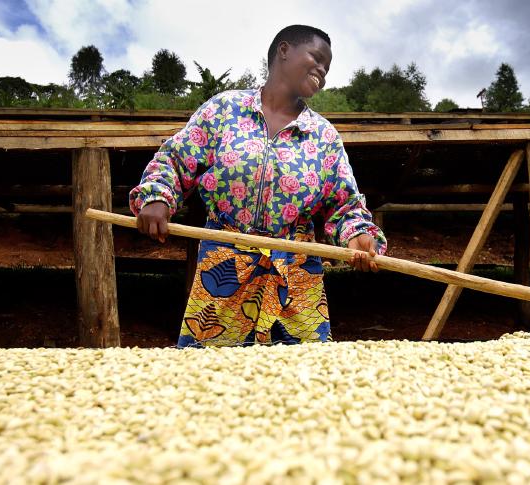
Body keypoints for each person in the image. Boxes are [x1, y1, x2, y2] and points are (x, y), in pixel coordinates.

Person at [129, 25, 387, 347]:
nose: (322, 70)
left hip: (296, 272)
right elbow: (177, 159)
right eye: (317, 58)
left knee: (307, 382)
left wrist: (357, 235)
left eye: (328, 67)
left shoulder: (323, 136)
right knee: (204, 380)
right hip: (223, 266)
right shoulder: (224, 111)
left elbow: (344, 203)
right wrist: (157, 198)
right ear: (284, 50)